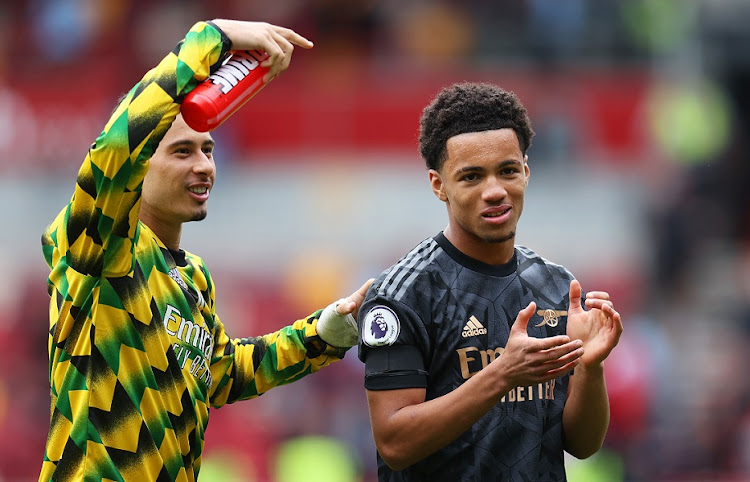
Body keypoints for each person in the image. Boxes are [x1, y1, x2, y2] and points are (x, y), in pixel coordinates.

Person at [40, 19, 370, 481]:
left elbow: (220, 374)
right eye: (181, 152)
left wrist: (322, 335)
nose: (204, 166)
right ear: (139, 166)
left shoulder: (193, 277)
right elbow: (114, 150)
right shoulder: (99, 245)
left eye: (208, 150)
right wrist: (213, 36)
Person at [357, 82, 623, 481]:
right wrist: (503, 373)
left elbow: (582, 445)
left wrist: (590, 367)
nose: (495, 191)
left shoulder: (555, 286)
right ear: (438, 185)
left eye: (508, 171)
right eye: (471, 177)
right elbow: (395, 443)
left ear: (527, 172)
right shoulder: (402, 296)